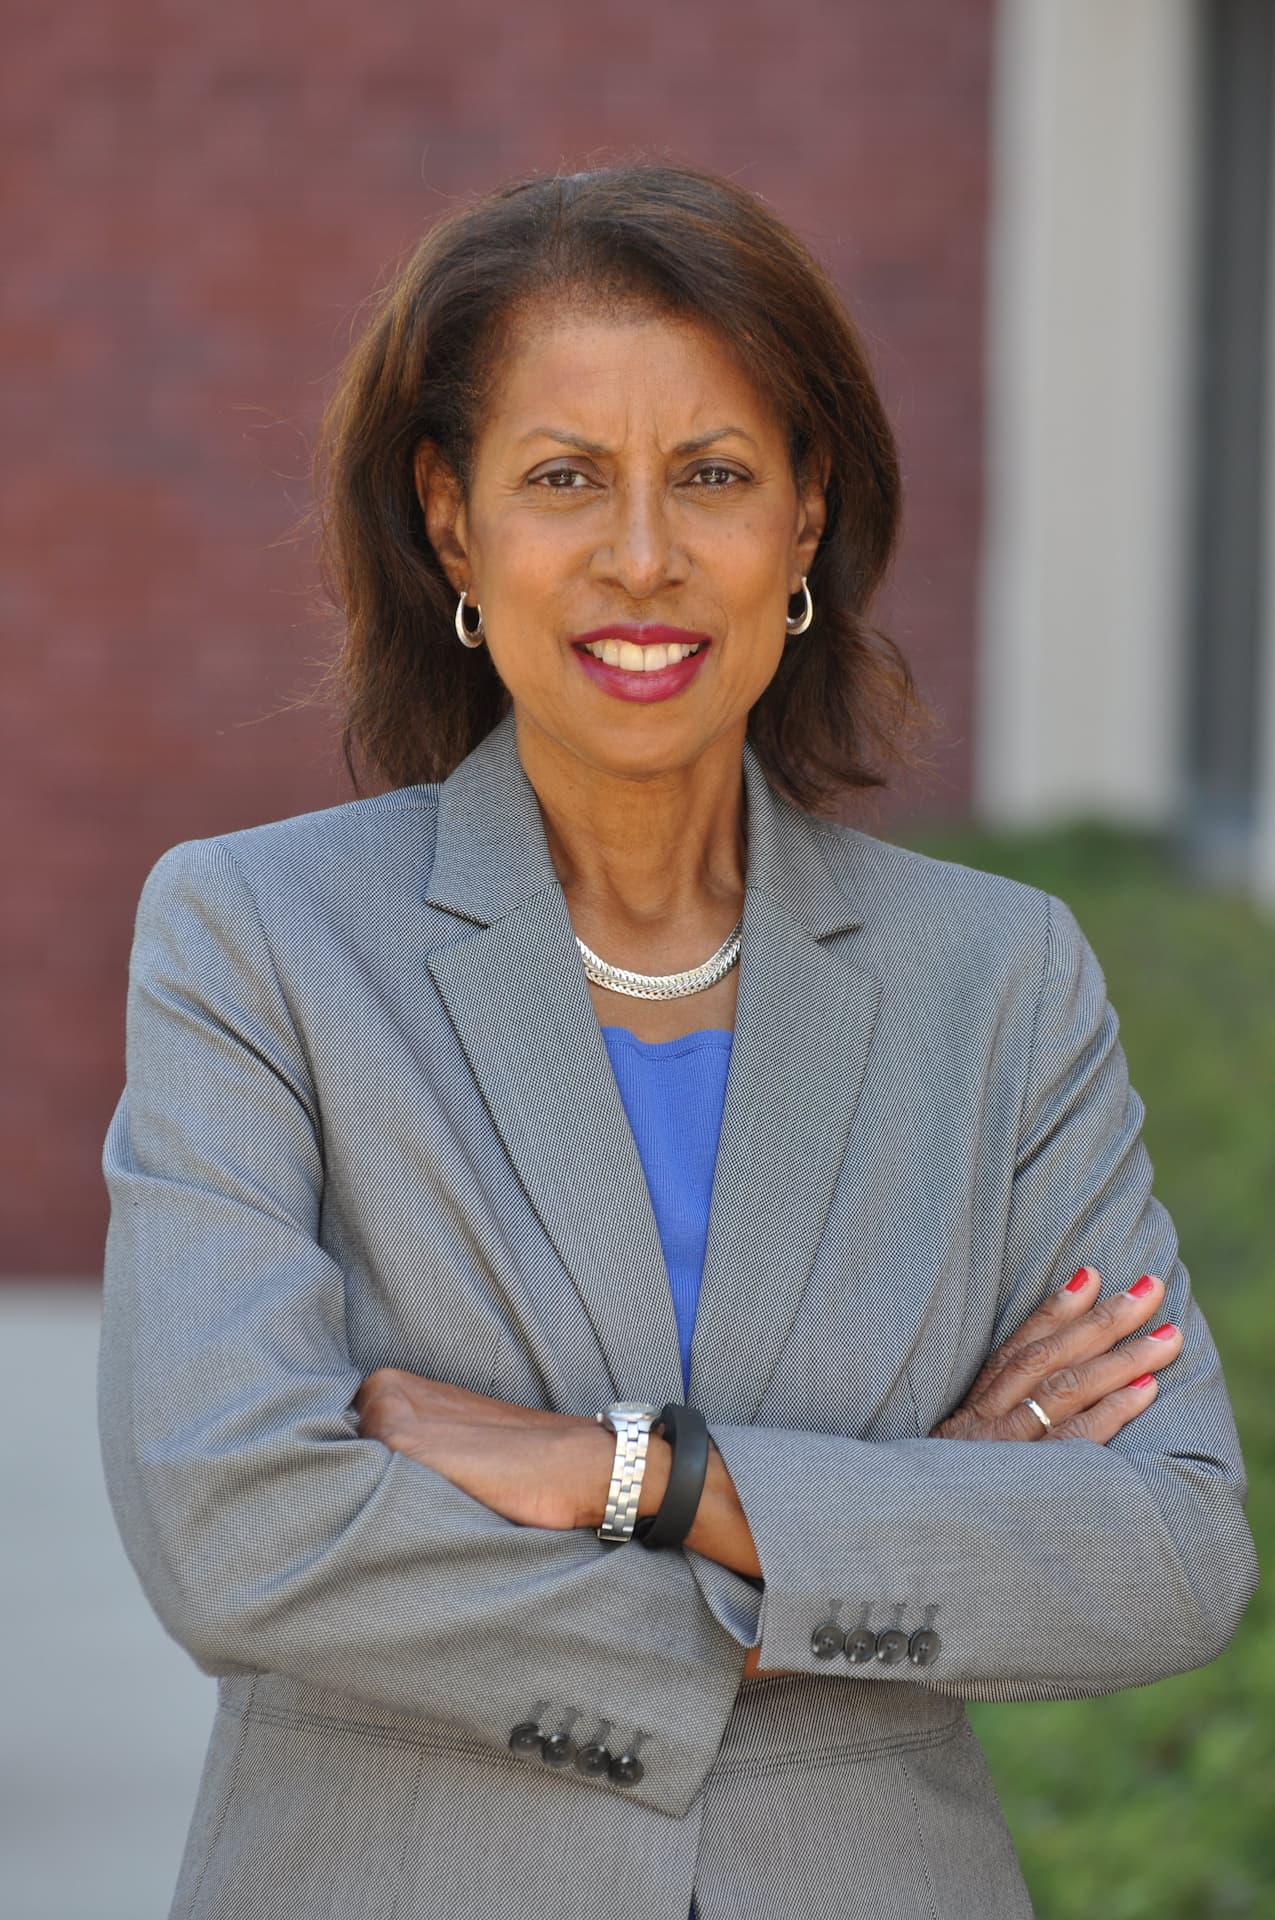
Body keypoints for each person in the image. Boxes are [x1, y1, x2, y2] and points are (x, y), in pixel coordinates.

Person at [99, 163, 1257, 1920]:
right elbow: (239, 1531)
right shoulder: (257, 943)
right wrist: (894, 1528)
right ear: (452, 522)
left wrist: (633, 1475)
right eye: (566, 477)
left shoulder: (998, 980)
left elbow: (1169, 1553)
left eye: (711, 475)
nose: (643, 555)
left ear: (803, 519)